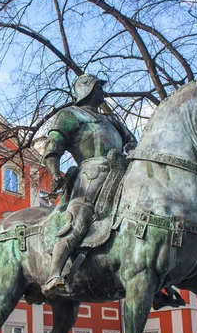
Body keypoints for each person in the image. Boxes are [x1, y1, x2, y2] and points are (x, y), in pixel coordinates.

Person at [41, 74, 136, 297]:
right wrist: (55, 173)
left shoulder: (112, 121)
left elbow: (132, 143)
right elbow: (53, 148)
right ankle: (55, 274)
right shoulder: (69, 115)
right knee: (78, 220)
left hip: (122, 173)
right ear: (88, 89)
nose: (103, 92)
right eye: (99, 88)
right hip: (90, 175)